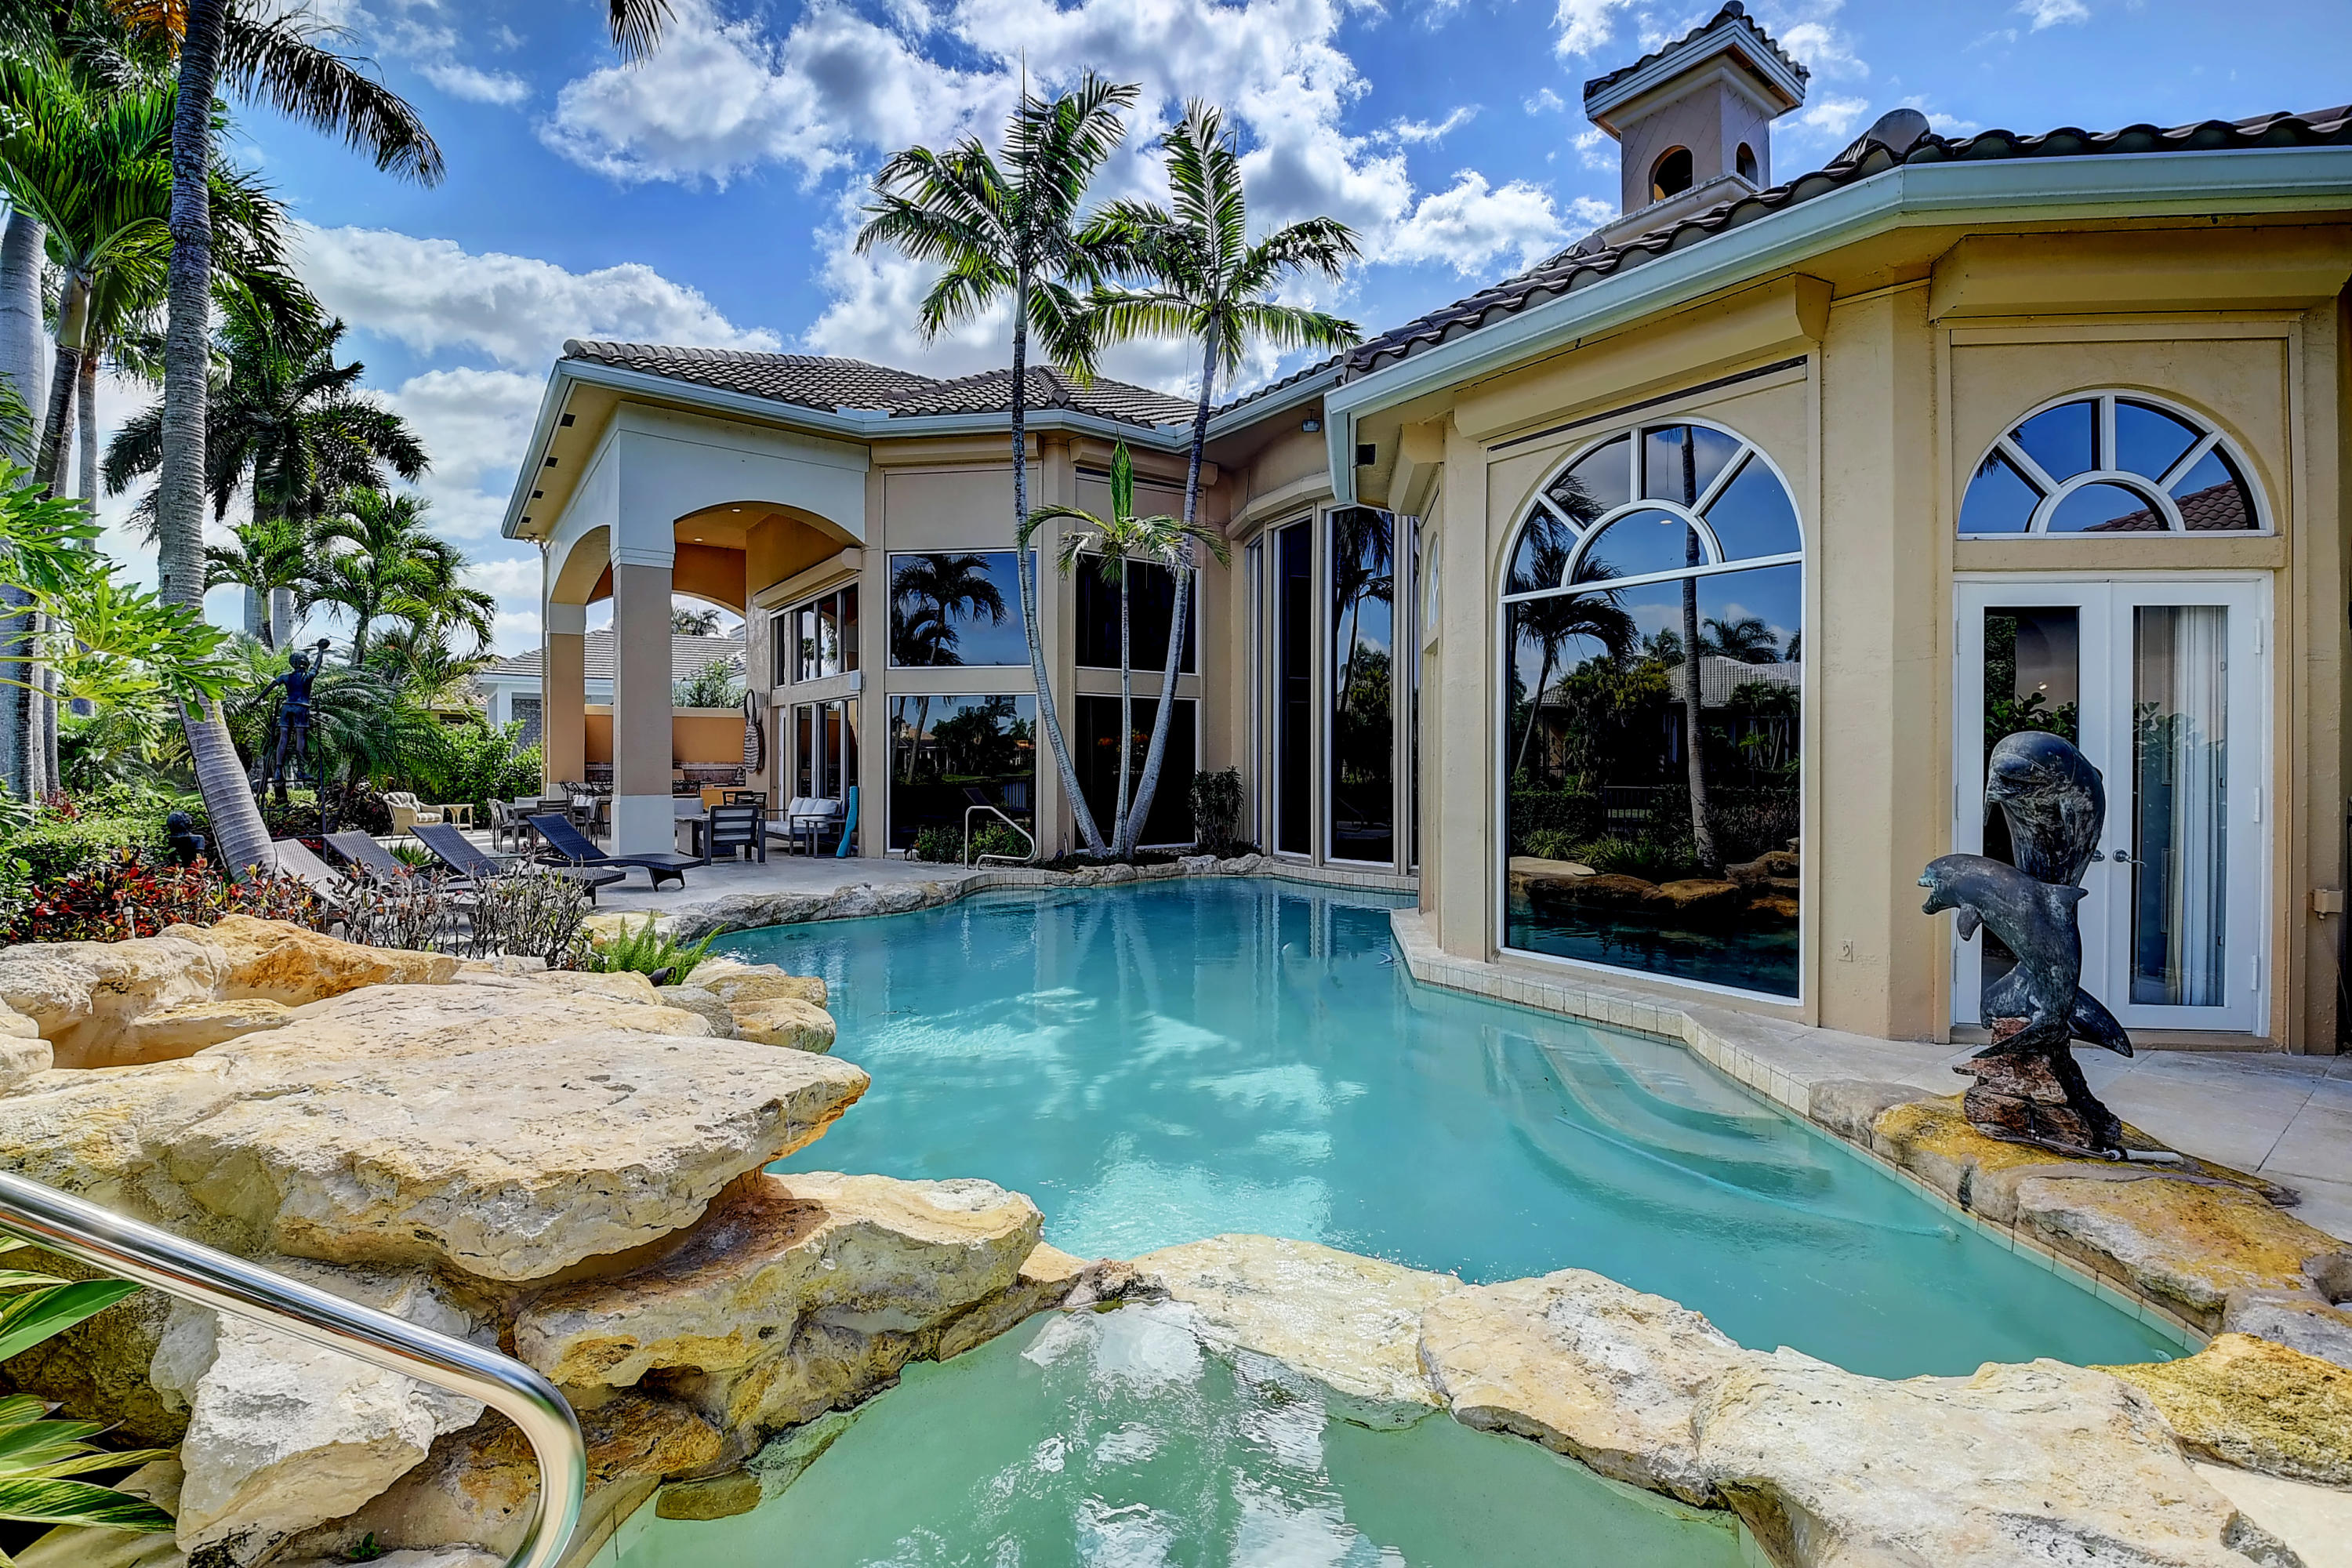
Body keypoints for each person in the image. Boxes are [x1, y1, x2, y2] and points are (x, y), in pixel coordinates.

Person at [259, 640, 333, 804]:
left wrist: (256, 700)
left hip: (286, 707)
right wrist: (320, 650)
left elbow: (269, 688)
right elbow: (318, 664)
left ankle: (278, 770)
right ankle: (301, 770)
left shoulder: (285, 676)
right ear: (304, 663)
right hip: (301, 708)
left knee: (283, 739)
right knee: (301, 738)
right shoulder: (308, 676)